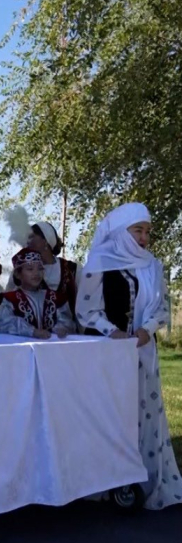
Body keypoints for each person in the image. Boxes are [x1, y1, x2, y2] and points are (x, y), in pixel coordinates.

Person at [77, 203, 182, 510]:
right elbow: (86, 310)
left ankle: (144, 478)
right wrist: (113, 331)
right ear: (120, 233)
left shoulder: (152, 265)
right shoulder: (99, 263)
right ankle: (107, 481)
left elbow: (162, 308)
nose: (144, 237)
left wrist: (147, 329)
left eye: (147, 231)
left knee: (142, 414)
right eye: (138, 230)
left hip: (141, 351)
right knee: (111, 414)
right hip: (108, 354)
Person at [6, 219, 81, 320]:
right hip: (30, 332)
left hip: (66, 332)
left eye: (31, 237)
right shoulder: (20, 269)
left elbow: (84, 304)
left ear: (45, 240)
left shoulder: (73, 269)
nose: (27, 241)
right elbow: (7, 301)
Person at [0, 249, 73, 339]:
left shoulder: (55, 297)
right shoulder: (11, 299)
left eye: (40, 268)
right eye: (30, 269)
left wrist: (61, 329)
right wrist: (32, 331)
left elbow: (67, 322)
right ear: (18, 274)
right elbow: (3, 322)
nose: (36, 273)